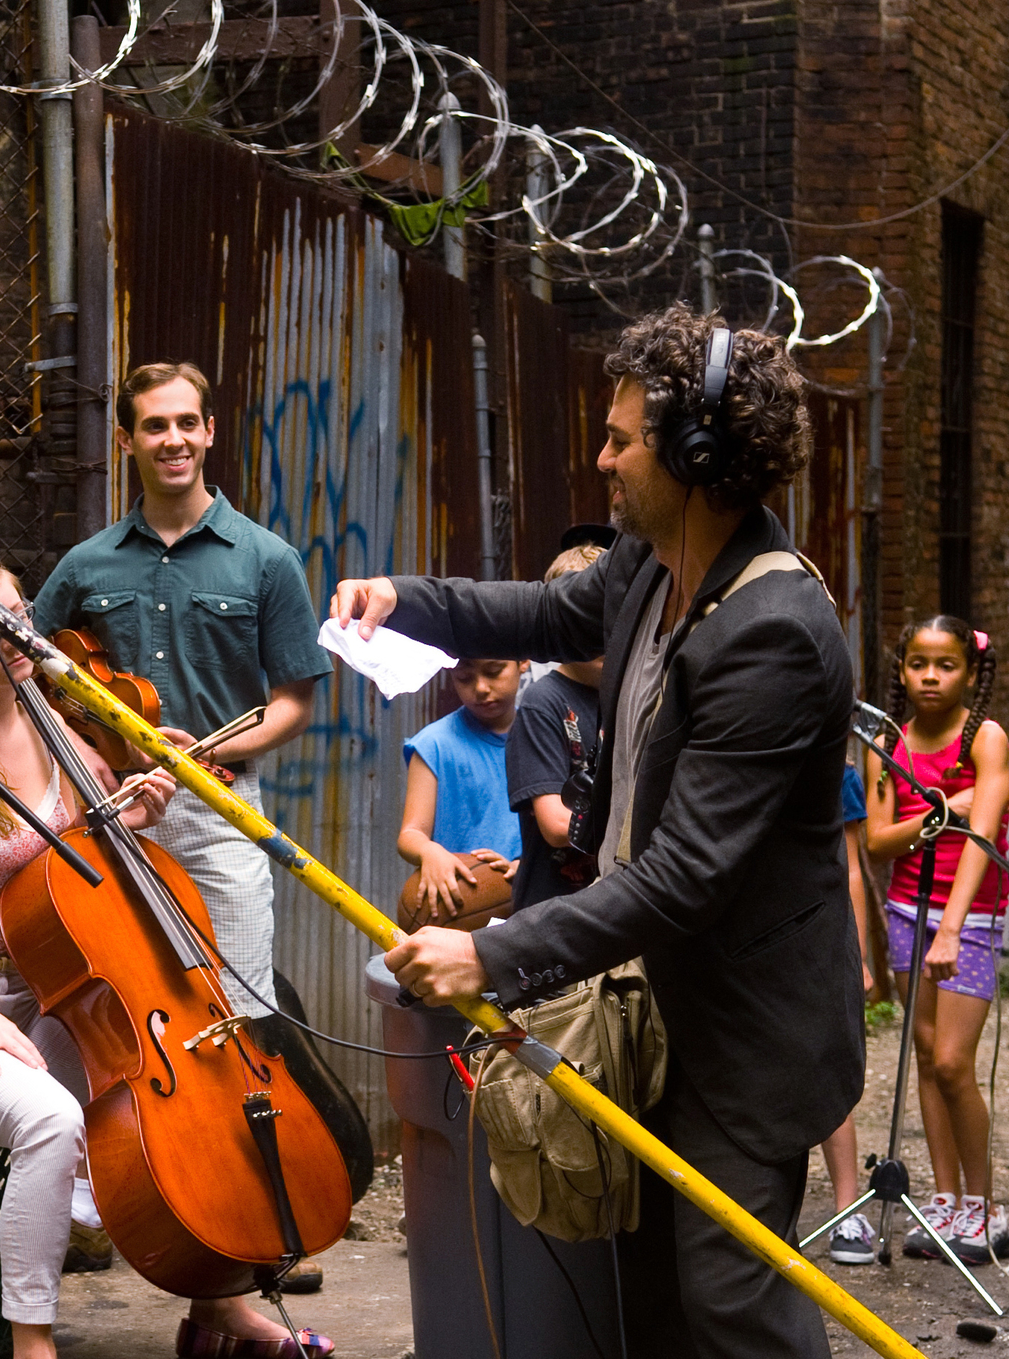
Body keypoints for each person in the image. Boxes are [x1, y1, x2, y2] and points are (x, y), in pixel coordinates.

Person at [332, 304, 865, 1358]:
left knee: (731, 1301)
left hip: (742, 1035)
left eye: (621, 438)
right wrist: (406, 598)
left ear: (698, 455)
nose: (601, 458)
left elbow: (680, 877)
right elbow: (541, 614)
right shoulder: (649, 562)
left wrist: (488, 951)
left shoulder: (771, 636)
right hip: (650, 1006)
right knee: (648, 1295)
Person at [0, 548, 333, 1359]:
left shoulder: (60, 729)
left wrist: (134, 814)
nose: (14, 641)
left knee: (181, 1112)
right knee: (50, 1118)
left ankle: (217, 1309)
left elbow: (72, 865)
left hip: (42, 995)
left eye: (19, 618)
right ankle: (33, 1342)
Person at [31, 361, 334, 1286]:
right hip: (115, 810)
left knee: (240, 1013)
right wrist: (95, 741)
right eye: (153, 426)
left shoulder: (265, 559)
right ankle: (111, 1203)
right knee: (120, 1014)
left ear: (210, 432)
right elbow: (34, 673)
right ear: (127, 440)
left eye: (187, 424)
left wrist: (207, 754)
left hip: (217, 800)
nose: (172, 440)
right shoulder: (86, 567)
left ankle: (260, 1232)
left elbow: (293, 700)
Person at [864, 617, 1009, 1267]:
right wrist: (937, 813)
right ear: (901, 671)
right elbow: (876, 840)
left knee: (953, 1060)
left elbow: (979, 843)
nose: (930, 675)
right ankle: (946, 1198)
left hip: (971, 916)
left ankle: (983, 1209)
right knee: (924, 1054)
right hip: (905, 909)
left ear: (971, 674)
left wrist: (951, 928)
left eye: (946, 664)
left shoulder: (986, 739)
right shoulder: (886, 744)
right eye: (918, 663)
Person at [502, 540, 607, 917]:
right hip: (551, 916)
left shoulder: (632, 697)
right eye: (585, 620)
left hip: (615, 910)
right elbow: (556, 824)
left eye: (609, 616)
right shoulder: (542, 704)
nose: (601, 633)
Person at [396, 656, 525, 924]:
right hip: (455, 907)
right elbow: (410, 834)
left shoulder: (546, 738)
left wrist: (529, 867)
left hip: (529, 906)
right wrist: (429, 852)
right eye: (464, 678)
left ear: (523, 661)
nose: (480, 687)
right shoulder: (433, 744)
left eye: (493, 671)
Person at [821, 757, 880, 1266]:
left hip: (819, 939)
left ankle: (847, 1210)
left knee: (830, 1069)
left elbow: (853, 869)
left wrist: (857, 954)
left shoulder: (838, 775)